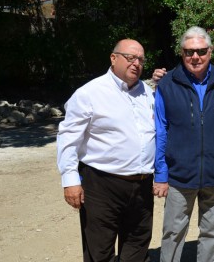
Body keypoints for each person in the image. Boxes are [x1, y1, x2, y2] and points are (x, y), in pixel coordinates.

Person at [152, 26, 214, 262]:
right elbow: (160, 131)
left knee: (212, 234)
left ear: (210, 51)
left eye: (201, 51)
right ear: (181, 53)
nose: (195, 57)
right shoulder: (167, 85)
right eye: (189, 52)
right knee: (173, 234)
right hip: (179, 177)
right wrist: (161, 174)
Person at [57, 39, 155, 262]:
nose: (136, 63)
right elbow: (68, 138)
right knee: (99, 250)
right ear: (113, 58)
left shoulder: (147, 93)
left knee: (138, 244)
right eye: (130, 58)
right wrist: (70, 180)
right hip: (102, 185)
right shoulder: (89, 93)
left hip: (142, 185)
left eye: (140, 59)